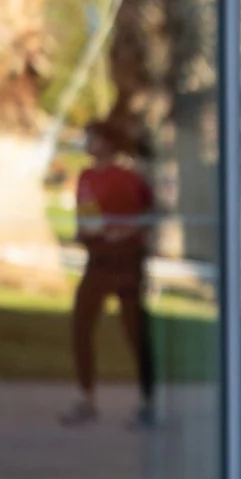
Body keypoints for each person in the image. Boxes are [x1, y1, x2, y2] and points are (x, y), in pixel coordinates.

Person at [65, 121, 157, 429]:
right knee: (81, 323)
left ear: (107, 142)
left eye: (93, 137)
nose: (88, 142)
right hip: (97, 261)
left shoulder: (128, 178)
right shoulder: (86, 177)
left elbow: (149, 213)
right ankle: (86, 399)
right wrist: (86, 233)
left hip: (127, 262)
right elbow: (87, 215)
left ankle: (147, 403)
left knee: (134, 330)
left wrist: (125, 233)